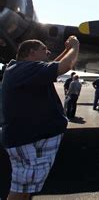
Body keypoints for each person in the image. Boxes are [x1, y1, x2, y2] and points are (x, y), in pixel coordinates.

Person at [0, 36, 79, 199]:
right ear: (31, 52)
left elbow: (51, 68)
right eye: (44, 49)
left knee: (25, 187)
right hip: (30, 141)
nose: (48, 52)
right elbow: (65, 66)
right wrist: (75, 47)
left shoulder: (21, 70)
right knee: (20, 190)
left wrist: (65, 50)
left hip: (28, 139)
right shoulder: (23, 69)